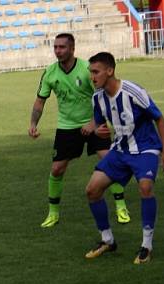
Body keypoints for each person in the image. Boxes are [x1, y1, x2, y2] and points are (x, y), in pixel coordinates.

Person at [29, 33, 130, 228]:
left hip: (95, 123)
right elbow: (40, 101)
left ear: (72, 49)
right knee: (57, 169)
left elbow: (104, 97)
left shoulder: (87, 69)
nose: (58, 51)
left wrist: (94, 122)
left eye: (62, 47)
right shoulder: (50, 72)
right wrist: (33, 123)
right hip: (67, 126)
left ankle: (121, 206)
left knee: (109, 161)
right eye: (55, 47)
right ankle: (53, 213)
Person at [83, 52, 164, 264]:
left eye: (96, 72)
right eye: (90, 73)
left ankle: (146, 246)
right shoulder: (97, 98)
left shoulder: (133, 91)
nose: (92, 77)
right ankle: (107, 241)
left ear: (110, 71)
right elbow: (98, 125)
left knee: (145, 188)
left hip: (145, 149)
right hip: (120, 150)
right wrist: (96, 131)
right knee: (92, 190)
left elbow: (159, 118)